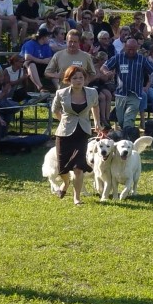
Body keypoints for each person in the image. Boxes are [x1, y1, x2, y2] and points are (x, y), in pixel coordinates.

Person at [52, 66, 101, 205]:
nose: (78, 80)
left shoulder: (92, 92)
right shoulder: (61, 93)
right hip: (64, 133)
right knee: (63, 168)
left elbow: (95, 106)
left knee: (78, 167)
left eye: (81, 78)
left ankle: (77, 198)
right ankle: (66, 183)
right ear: (68, 80)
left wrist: (97, 122)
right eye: (75, 78)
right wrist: (63, 120)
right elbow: (55, 110)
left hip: (82, 133)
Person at [102, 38, 153, 129]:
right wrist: (106, 72)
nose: (131, 51)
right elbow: (104, 67)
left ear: (137, 48)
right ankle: (127, 135)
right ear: (125, 47)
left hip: (135, 94)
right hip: (121, 94)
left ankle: (128, 139)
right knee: (121, 120)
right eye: (129, 49)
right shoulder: (118, 57)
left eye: (133, 49)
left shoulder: (142, 59)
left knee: (129, 119)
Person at [21, 27, 54, 92]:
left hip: (41, 66)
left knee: (54, 67)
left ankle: (59, 88)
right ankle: (40, 87)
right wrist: (41, 61)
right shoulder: (30, 43)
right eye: (48, 36)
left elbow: (50, 57)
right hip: (27, 67)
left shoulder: (46, 45)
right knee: (31, 64)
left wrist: (47, 60)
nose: (49, 38)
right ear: (43, 37)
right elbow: (27, 57)